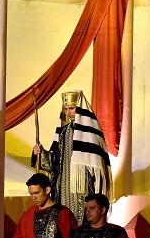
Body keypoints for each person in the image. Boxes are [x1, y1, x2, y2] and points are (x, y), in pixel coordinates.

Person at [32, 90, 111, 225]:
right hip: (63, 188)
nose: (68, 112)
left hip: (83, 187)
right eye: (66, 109)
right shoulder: (64, 132)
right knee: (64, 224)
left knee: (82, 223)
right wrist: (40, 153)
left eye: (72, 108)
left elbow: (99, 166)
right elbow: (54, 161)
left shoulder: (90, 130)